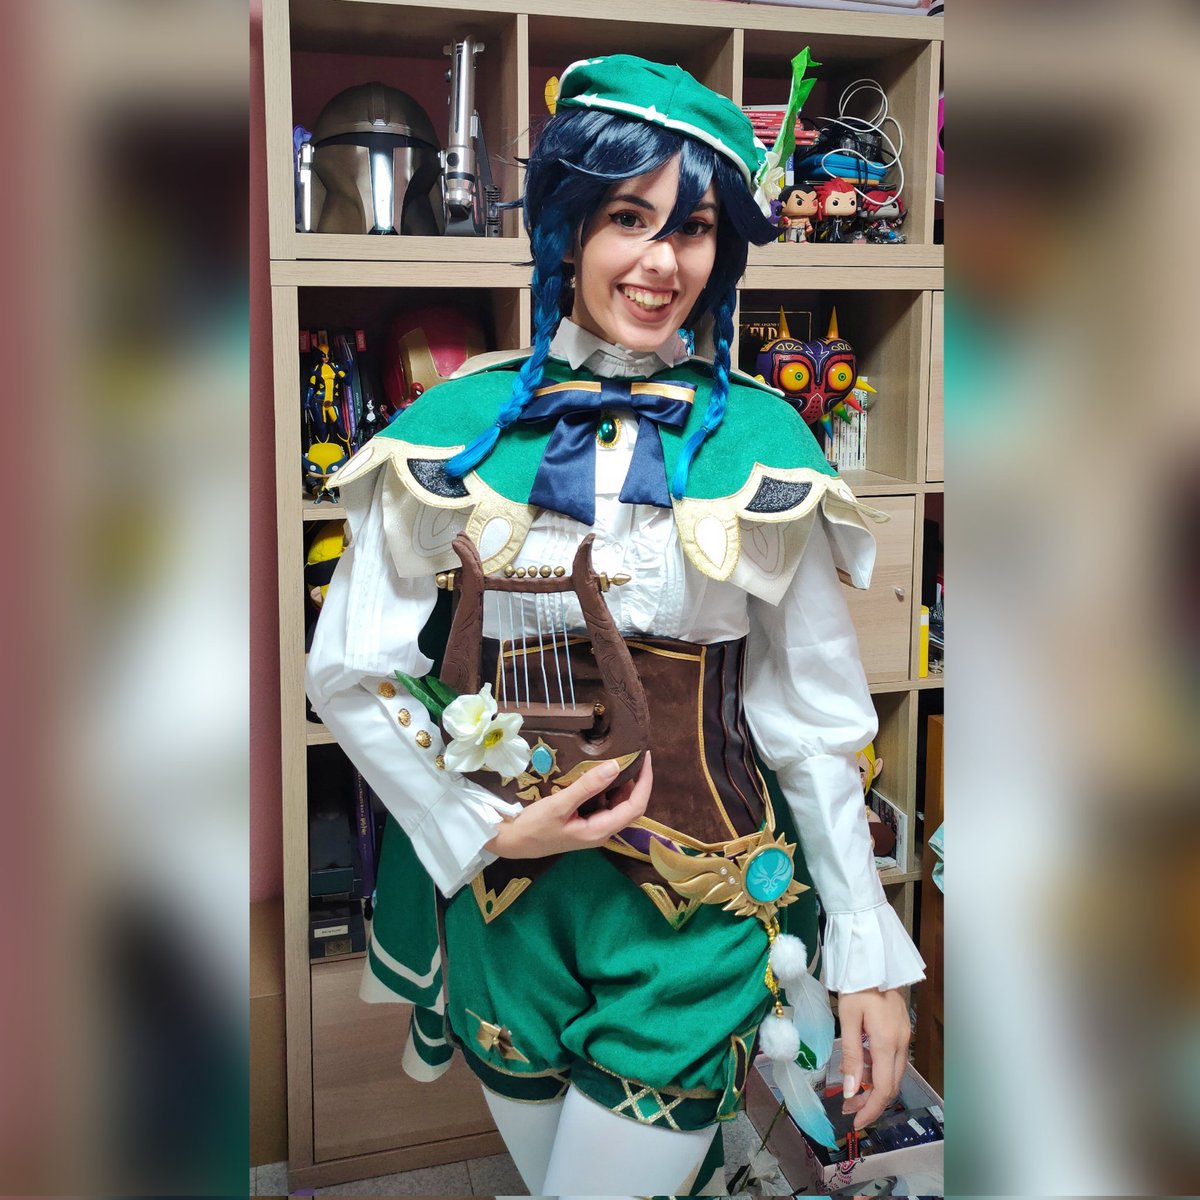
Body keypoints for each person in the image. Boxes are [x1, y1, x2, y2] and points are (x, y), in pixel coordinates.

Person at [306, 54, 926, 1197]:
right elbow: (352, 669)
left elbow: (813, 722)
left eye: (692, 228)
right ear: (568, 229)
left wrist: (865, 957)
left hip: (695, 916)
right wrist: (479, 827)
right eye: (627, 219)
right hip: (506, 915)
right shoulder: (452, 430)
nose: (660, 262)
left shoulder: (764, 448)